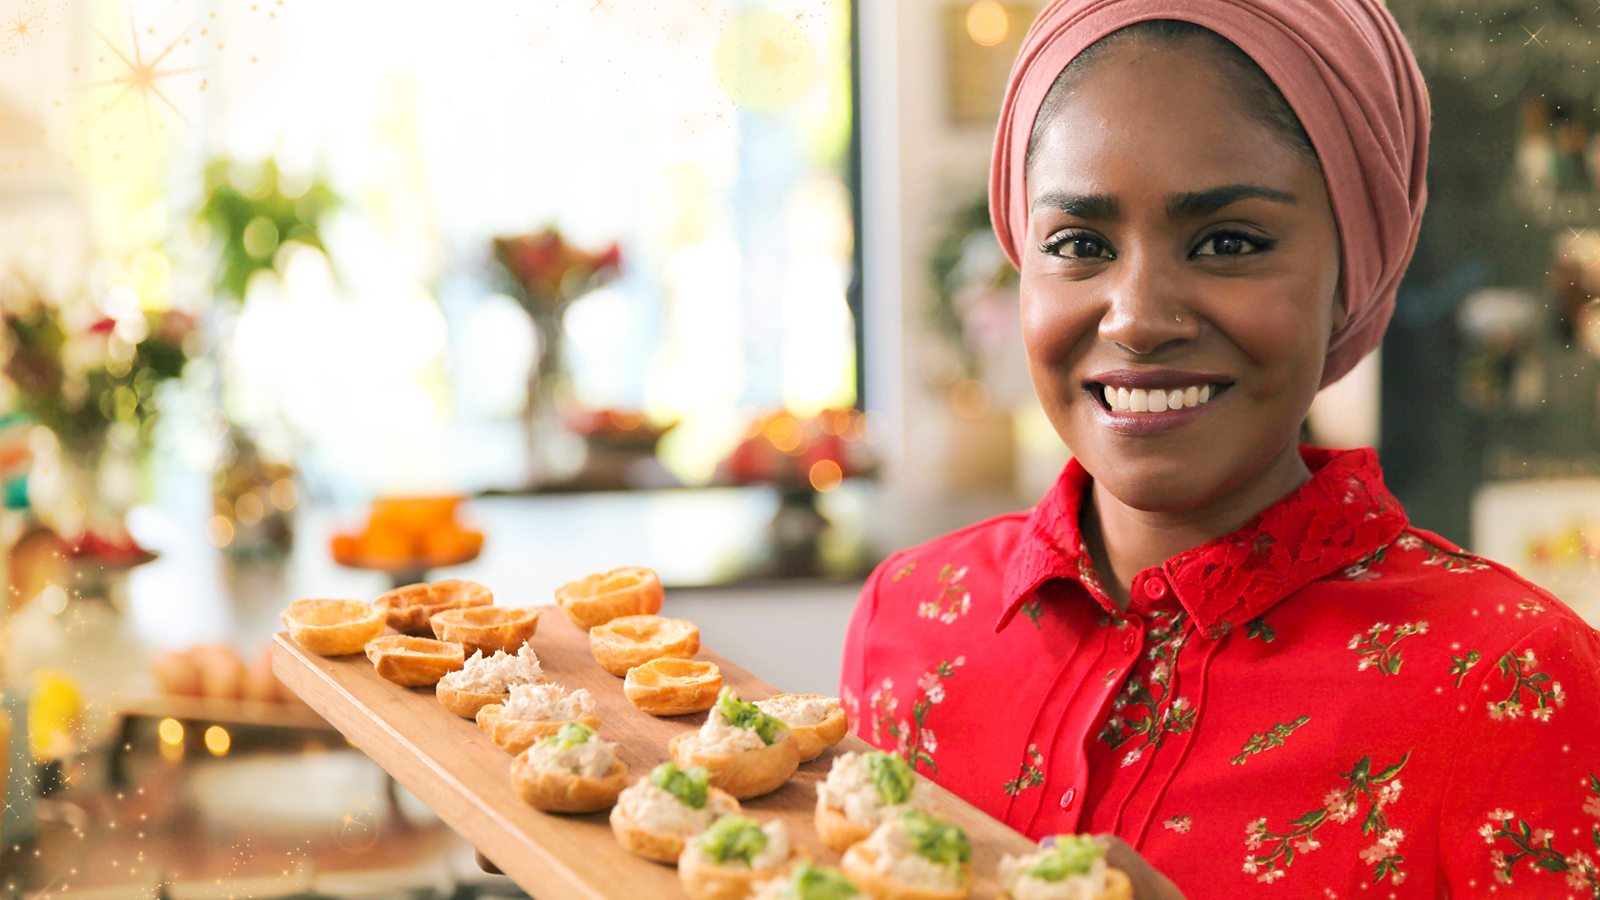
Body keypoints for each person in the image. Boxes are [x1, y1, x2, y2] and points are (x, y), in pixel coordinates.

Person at [839, 1, 1600, 896]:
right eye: (1078, 244)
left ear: (1351, 274)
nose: (1137, 319)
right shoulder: (912, 617)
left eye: (1228, 242)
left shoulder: (1514, 683)